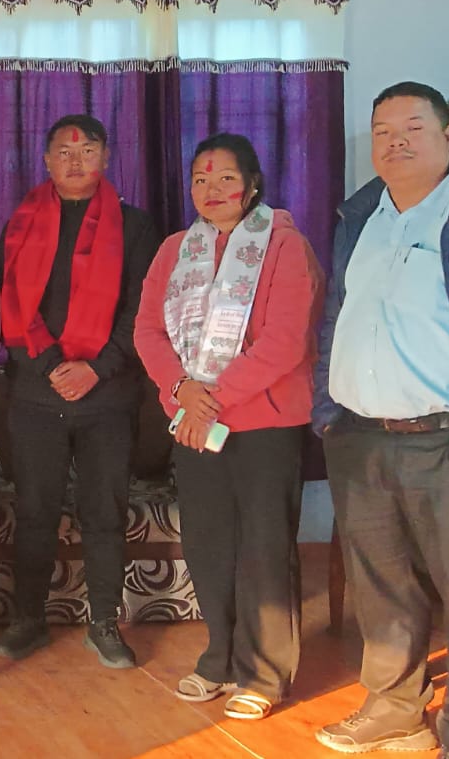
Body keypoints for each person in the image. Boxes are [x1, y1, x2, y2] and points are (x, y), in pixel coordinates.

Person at [312, 83, 449, 759]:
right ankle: (394, 710)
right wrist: (328, 411)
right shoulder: (360, 214)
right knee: (380, 584)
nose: (396, 141)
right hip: (359, 436)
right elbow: (338, 313)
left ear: (448, 136)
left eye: (412, 126)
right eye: (383, 130)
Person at [133, 133, 323, 721]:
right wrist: (180, 392)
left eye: (225, 178)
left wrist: (209, 400)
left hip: (264, 421)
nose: (211, 190)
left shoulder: (285, 245)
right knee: (209, 543)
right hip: (193, 423)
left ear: (253, 184)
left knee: (264, 545)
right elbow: (148, 332)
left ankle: (264, 673)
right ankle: (219, 657)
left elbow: (286, 341)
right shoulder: (174, 250)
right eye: (200, 179)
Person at [0, 114, 158, 669]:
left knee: (104, 511)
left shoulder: (135, 227)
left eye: (87, 149)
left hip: (107, 396)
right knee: (35, 510)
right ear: (46, 161)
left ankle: (104, 622)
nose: (75, 159)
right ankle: (28, 620)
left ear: (106, 158)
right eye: (64, 150)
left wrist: (97, 368)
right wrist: (50, 367)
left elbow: (142, 308)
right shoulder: (20, 224)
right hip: (36, 397)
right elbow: (8, 303)